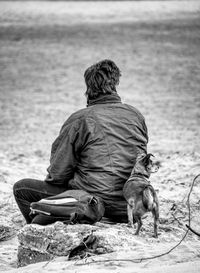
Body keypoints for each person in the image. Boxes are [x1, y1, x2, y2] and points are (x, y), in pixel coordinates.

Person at [13, 59, 148, 225]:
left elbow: (58, 173)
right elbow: (142, 160)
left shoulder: (80, 119)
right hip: (132, 206)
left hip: (94, 204)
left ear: (88, 87)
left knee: (22, 189)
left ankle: (36, 227)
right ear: (115, 83)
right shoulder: (136, 115)